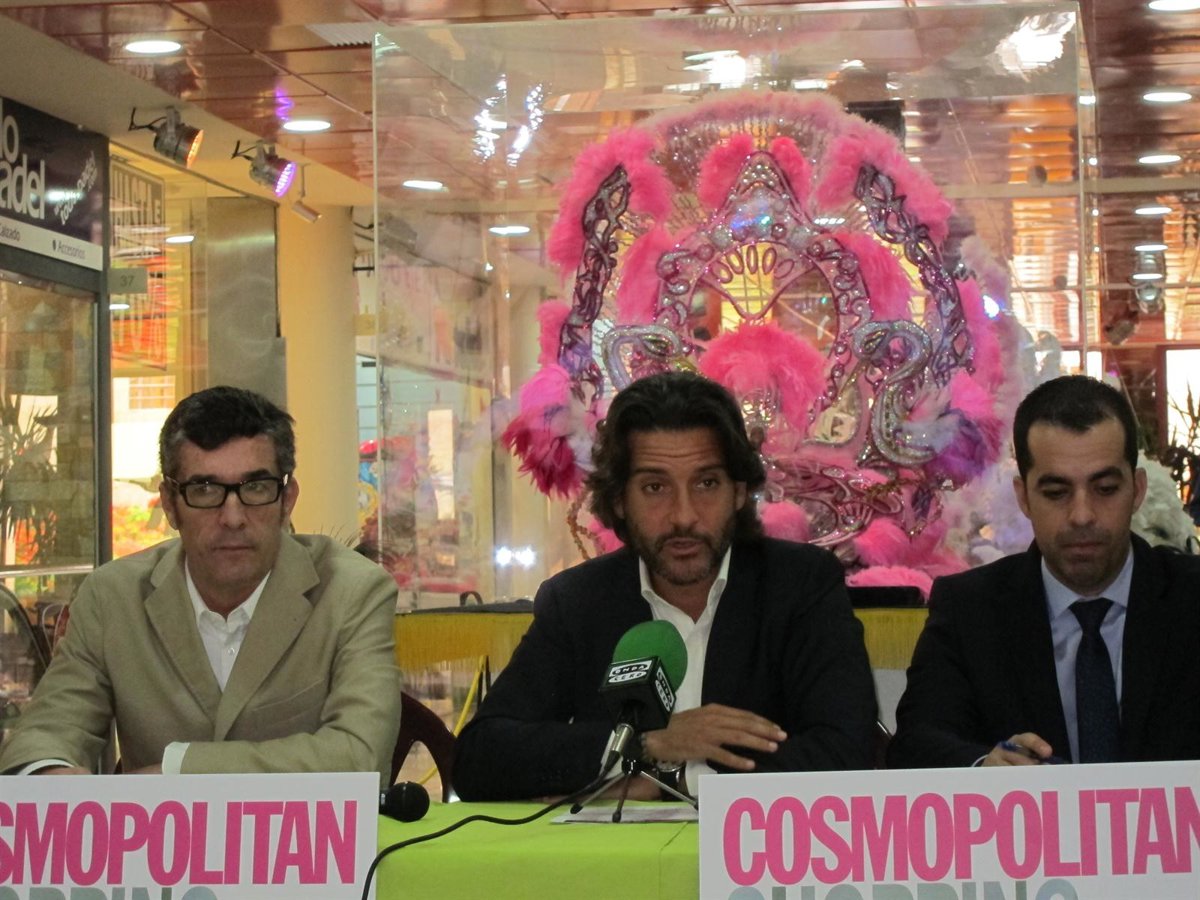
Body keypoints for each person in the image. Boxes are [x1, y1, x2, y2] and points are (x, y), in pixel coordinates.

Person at [453, 371, 877, 801]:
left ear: (738, 491)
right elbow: (479, 757)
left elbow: (850, 752)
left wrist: (673, 782)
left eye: (706, 484)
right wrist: (647, 744)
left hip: (754, 845)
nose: (683, 516)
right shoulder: (579, 600)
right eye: (655, 487)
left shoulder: (800, 585)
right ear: (619, 499)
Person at [0, 386, 403, 784]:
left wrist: (179, 770)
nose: (233, 518)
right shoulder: (112, 598)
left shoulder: (353, 592)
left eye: (255, 488)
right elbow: (45, 733)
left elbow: (361, 755)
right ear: (169, 504)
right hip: (154, 831)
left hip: (306, 832)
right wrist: (49, 773)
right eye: (205, 490)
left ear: (287, 499)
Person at [889, 375, 1200, 768]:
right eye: (1056, 493)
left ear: (1137, 490)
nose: (1082, 515)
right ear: (1024, 497)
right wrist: (983, 767)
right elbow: (916, 741)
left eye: (1105, 489)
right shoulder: (970, 609)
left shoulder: (1191, 598)